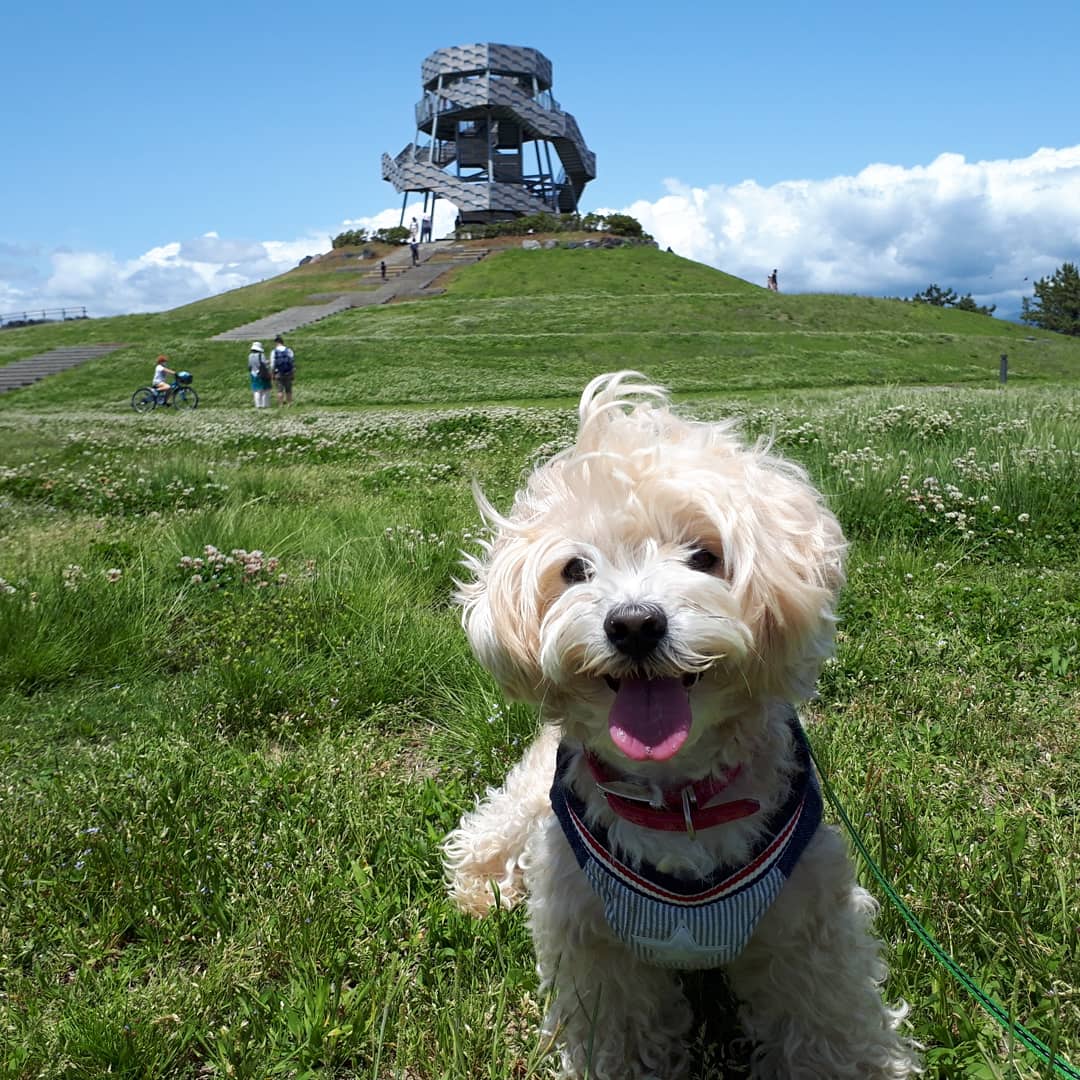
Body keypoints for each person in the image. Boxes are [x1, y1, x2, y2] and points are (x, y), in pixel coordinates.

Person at [270, 334, 295, 406]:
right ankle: (289, 403)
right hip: (288, 372)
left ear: (276, 342)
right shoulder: (289, 350)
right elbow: (292, 362)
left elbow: (272, 365)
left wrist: (272, 375)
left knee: (280, 390)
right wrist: (293, 373)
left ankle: (280, 404)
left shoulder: (274, 352)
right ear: (282, 342)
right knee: (288, 389)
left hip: (278, 373)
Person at [248, 341, 271, 408]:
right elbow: (264, 364)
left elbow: (249, 366)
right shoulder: (261, 355)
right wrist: (268, 363)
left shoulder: (250, 356)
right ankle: (265, 404)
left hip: (253, 373)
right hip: (262, 374)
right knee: (265, 390)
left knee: (256, 390)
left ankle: (258, 405)